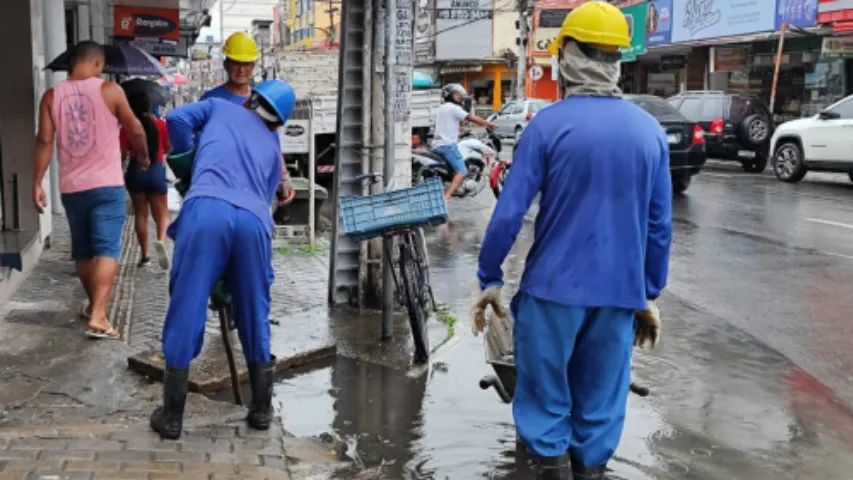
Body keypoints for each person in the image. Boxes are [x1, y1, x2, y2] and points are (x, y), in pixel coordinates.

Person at [472, 3, 673, 479]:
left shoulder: (546, 127)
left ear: (566, 59)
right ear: (615, 61)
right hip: (619, 295)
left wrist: (490, 275)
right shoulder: (650, 132)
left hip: (552, 294)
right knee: (600, 408)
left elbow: (509, 213)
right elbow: (659, 225)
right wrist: (649, 290)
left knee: (545, 406)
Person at [149, 80, 296, 440]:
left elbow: (178, 121)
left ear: (251, 101)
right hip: (254, 223)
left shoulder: (219, 107)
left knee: (188, 304)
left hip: (206, 211)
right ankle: (260, 411)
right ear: (277, 122)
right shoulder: (271, 147)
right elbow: (262, 203)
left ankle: (172, 416)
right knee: (254, 310)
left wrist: (190, 164)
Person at [32, 41, 150, 340]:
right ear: (98, 64)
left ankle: (95, 308)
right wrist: (144, 156)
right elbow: (135, 128)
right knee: (108, 249)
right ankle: (98, 315)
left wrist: (37, 182)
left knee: (84, 251)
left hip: (72, 188)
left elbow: (44, 141)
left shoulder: (50, 96)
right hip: (107, 184)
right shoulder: (110, 91)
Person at [121, 93, 172, 270]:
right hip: (156, 171)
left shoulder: (127, 127)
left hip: (136, 172)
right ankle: (161, 240)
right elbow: (168, 148)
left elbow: (123, 153)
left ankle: (145, 255)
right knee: (162, 215)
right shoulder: (161, 125)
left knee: (141, 214)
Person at [433, 83, 495, 202]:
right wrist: (488, 123)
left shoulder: (441, 108)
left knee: (454, 168)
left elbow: (445, 126)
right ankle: (446, 197)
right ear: (450, 96)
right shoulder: (454, 108)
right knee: (462, 171)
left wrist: (460, 133)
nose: (460, 97)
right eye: (457, 95)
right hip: (447, 146)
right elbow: (471, 118)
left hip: (438, 145)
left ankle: (450, 186)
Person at [200, 32, 260, 103]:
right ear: (226, 65)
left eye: (246, 64)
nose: (241, 70)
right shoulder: (210, 100)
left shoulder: (262, 101)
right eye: (236, 63)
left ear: (252, 66)